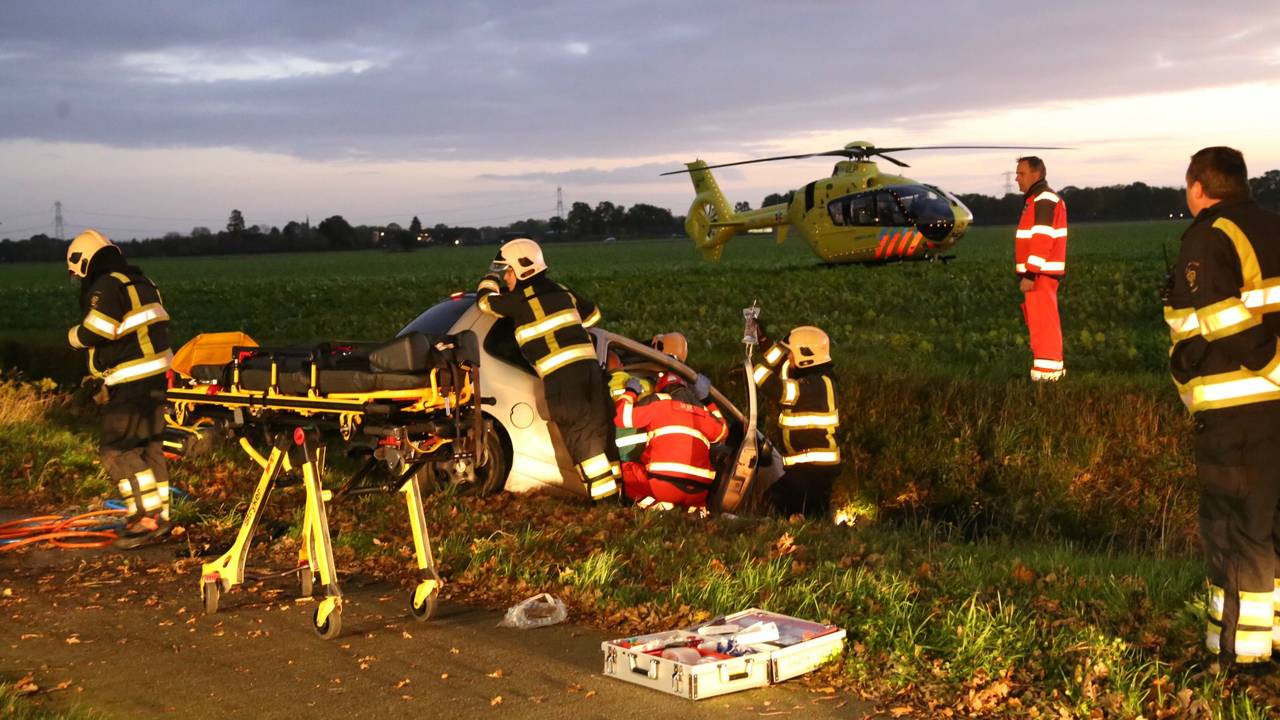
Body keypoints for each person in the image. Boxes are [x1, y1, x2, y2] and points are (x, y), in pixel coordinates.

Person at [1163, 146, 1280, 667]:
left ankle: (1235, 655)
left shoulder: (1209, 235)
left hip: (1238, 410)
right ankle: (1272, 641)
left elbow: (1220, 317)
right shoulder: (1272, 226)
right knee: (1272, 528)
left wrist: (1271, 364)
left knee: (1235, 532)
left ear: (1198, 187)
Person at [476, 238, 620, 502]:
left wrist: (489, 279)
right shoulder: (562, 291)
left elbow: (485, 303)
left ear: (522, 269)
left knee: (581, 439)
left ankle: (607, 504)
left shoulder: (519, 300)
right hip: (592, 372)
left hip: (563, 381)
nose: (506, 277)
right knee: (601, 434)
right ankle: (620, 498)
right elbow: (593, 315)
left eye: (508, 271)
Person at [65, 229, 174, 548]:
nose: (78, 279)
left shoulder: (108, 285)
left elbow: (97, 330)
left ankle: (145, 518)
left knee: (117, 450)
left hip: (132, 380)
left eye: (76, 272)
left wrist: (72, 337)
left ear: (83, 260)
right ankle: (162, 516)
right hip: (159, 377)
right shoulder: (141, 281)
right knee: (150, 447)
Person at [751, 323, 842, 518]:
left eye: (792, 354)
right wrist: (763, 342)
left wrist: (752, 370)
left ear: (806, 355)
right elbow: (781, 363)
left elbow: (780, 390)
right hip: (806, 467)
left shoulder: (818, 384)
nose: (789, 358)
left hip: (815, 469)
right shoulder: (810, 373)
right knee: (802, 511)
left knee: (780, 505)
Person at [614, 373, 726, 509]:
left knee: (623, 470)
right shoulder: (703, 411)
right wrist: (707, 400)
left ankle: (657, 507)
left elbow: (620, 416)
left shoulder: (658, 402)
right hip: (699, 492)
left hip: (663, 487)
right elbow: (723, 432)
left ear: (660, 389)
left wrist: (631, 392)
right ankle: (689, 508)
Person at [1014, 156, 1069, 382]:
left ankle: (1047, 379)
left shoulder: (1043, 200)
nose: (1017, 178)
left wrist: (1030, 273)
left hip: (1040, 275)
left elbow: (1042, 239)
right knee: (1042, 324)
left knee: (1043, 326)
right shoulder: (1037, 199)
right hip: (1041, 274)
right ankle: (1050, 375)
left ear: (1036, 175)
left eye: (1021, 173)